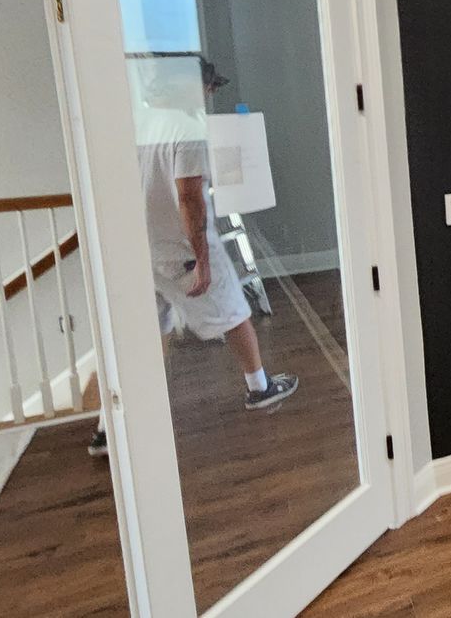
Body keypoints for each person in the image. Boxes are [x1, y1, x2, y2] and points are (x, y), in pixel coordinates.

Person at [90, 58, 296, 457]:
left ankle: (107, 428)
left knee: (140, 337)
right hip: (179, 248)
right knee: (235, 314)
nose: (210, 94)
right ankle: (260, 388)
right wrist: (201, 257)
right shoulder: (184, 130)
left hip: (138, 247)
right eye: (207, 87)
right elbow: (188, 197)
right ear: (191, 88)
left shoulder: (136, 125)